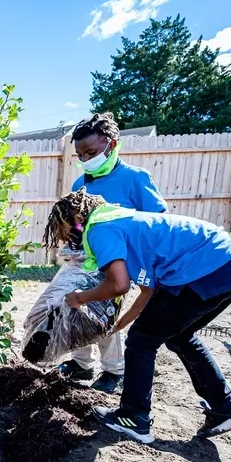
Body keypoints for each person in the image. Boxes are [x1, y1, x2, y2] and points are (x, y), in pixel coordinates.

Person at [42, 190, 231, 445]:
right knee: (179, 336)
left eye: (64, 229)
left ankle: (133, 417)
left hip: (204, 268)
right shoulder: (121, 220)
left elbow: (118, 285)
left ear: (78, 218)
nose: (67, 237)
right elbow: (147, 291)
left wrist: (80, 297)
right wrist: (121, 324)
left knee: (142, 342)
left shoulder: (99, 229)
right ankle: (227, 408)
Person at [57, 113, 168, 394]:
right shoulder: (80, 184)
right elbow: (78, 223)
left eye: (91, 152)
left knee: (104, 312)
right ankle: (81, 363)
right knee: (74, 307)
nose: (85, 159)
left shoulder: (135, 179)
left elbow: (158, 222)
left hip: (119, 264)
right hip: (86, 259)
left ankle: (113, 370)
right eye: (80, 155)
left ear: (112, 144)